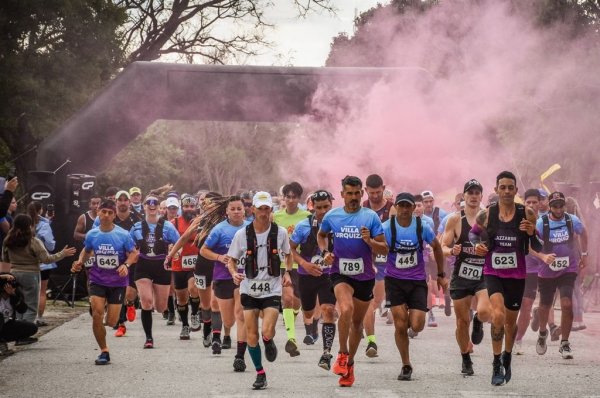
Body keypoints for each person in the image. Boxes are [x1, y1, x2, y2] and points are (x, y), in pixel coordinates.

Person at [317, 175, 388, 387]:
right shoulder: (333, 216)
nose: (354, 197)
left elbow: (384, 248)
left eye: (357, 193)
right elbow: (321, 236)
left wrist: (370, 241)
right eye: (349, 193)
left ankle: (350, 364)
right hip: (340, 273)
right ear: (342, 195)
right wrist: (325, 252)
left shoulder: (371, 217)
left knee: (357, 325)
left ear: (362, 193)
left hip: (365, 277)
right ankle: (341, 354)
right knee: (345, 309)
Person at [471, 171, 539, 386]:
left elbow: (538, 246)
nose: (507, 191)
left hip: (517, 275)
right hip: (493, 272)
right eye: (503, 187)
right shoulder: (487, 214)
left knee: (510, 324)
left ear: (516, 190)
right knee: (498, 315)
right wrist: (477, 246)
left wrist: (531, 232)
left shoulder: (526, 213)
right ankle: (496, 363)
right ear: (496, 189)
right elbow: (473, 234)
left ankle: (507, 355)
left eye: (511, 187)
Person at [227, 192, 292, 390]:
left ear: (270, 210)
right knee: (251, 334)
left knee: (267, 330)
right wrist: (233, 274)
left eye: (267, 209)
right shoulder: (242, 234)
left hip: (272, 287)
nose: (263, 213)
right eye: (260, 209)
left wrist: (287, 273)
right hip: (249, 287)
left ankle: (269, 340)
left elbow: (288, 255)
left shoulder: (280, 232)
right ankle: (260, 373)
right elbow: (232, 259)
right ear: (253, 209)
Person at [383, 192, 447, 381]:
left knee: (417, 324)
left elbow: (436, 246)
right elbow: (376, 246)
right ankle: (406, 364)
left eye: (407, 206)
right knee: (400, 324)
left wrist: (441, 274)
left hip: (417, 281)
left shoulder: (422, 227)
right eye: (400, 206)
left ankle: (413, 327)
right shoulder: (387, 227)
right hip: (394, 280)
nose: (404, 210)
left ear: (413, 208)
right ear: (396, 207)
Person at [71, 199, 138, 365]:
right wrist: (80, 262)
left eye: (110, 213)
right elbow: (86, 251)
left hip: (117, 282)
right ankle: (104, 351)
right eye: (104, 212)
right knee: (97, 313)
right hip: (97, 279)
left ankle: (108, 310)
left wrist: (126, 265)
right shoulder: (92, 234)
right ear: (98, 213)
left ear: (114, 215)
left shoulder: (123, 234)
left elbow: (134, 254)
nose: (106, 215)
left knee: (111, 322)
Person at [442, 179, 491, 376]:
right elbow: (443, 246)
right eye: (469, 193)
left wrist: (487, 251)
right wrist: (451, 250)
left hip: (483, 275)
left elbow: (498, 245)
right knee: (462, 322)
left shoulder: (489, 219)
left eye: (477, 192)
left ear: (481, 196)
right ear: (464, 196)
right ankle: (465, 357)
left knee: (486, 311)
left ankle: (479, 321)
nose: (473, 196)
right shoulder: (455, 219)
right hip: (461, 276)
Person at [533, 191, 588, 359]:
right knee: (545, 305)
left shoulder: (572, 220)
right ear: (550, 206)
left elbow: (584, 233)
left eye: (561, 205)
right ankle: (543, 333)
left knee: (566, 304)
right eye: (555, 205)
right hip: (547, 271)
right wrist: (542, 257)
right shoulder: (541, 223)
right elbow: (532, 245)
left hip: (568, 268)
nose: (558, 208)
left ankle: (564, 343)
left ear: (564, 205)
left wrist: (584, 254)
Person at [2, 214, 75, 335]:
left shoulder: (8, 240)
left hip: (14, 273)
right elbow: (46, 259)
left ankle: (19, 329)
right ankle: (24, 333)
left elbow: (5, 258)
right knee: (31, 305)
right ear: (30, 226)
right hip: (31, 274)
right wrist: (63, 254)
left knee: (19, 303)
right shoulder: (33, 241)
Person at [200, 195, 250, 371]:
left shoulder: (250, 228)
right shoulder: (219, 230)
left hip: (244, 277)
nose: (236, 212)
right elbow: (204, 250)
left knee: (241, 314)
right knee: (228, 321)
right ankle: (226, 332)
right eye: (233, 209)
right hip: (222, 278)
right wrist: (220, 257)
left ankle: (240, 355)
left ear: (245, 210)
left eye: (239, 208)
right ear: (227, 212)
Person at [290, 190, 337, 370]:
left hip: (329, 275)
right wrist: (304, 264)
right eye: (319, 207)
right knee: (308, 312)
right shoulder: (303, 226)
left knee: (328, 309)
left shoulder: (338, 224)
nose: (323, 210)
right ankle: (313, 324)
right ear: (312, 207)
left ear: (331, 204)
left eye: (326, 206)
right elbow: (291, 249)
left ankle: (326, 353)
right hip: (306, 275)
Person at [130, 195, 180, 348]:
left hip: (161, 266)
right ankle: (149, 338)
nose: (152, 205)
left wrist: (175, 253)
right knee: (146, 301)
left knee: (160, 307)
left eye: (155, 203)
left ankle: (163, 306)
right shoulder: (136, 227)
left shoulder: (168, 227)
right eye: (148, 203)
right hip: (143, 265)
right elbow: (129, 247)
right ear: (144, 206)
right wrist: (131, 255)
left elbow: (179, 244)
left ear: (159, 207)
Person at [273, 181, 310, 357]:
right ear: (283, 198)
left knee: (297, 302)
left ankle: (294, 313)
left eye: (294, 197)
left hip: (301, 263)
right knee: (287, 298)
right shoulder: (276, 217)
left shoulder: (307, 216)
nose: (290, 200)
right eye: (287, 197)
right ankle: (292, 339)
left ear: (299, 198)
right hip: (282, 264)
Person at [361, 174, 394, 357]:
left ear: (383, 188)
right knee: (368, 302)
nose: (374, 196)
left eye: (378, 192)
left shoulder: (392, 209)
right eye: (371, 192)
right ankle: (371, 340)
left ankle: (362, 327)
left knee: (376, 301)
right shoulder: (361, 207)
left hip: (383, 258)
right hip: (363, 258)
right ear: (366, 191)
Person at [514, 188, 544, 354]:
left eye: (534, 202)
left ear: (540, 203)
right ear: (524, 203)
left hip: (535, 271)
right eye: (528, 202)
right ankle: (508, 334)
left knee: (526, 306)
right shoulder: (517, 219)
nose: (531, 205)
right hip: (514, 268)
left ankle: (518, 339)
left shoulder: (545, 221)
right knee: (511, 306)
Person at [168, 195, 202, 341]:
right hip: (179, 265)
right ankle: (185, 326)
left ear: (196, 208)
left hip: (195, 263)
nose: (189, 209)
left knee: (193, 288)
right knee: (181, 298)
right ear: (182, 208)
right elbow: (168, 240)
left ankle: (194, 313)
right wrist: (170, 248)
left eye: (192, 206)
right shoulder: (174, 223)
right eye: (186, 206)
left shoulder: (200, 222)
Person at [26, 201, 56, 327]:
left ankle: (26, 318)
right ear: (40, 210)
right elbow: (50, 245)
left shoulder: (23, 222)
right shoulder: (44, 225)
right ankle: (39, 318)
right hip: (42, 263)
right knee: (41, 292)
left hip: (26, 263)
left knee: (27, 291)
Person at [0, 273, 38, 356]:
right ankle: (1, 344)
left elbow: (22, 310)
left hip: (5, 326)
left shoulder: (14, 294)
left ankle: (7, 340)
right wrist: (3, 276)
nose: (11, 286)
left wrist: (13, 295)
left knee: (31, 327)